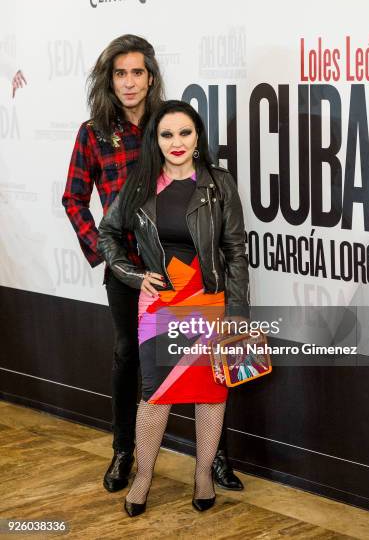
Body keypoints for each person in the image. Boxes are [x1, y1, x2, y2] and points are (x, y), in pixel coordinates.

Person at [62, 35, 243, 495]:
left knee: (209, 366)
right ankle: (126, 453)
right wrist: (111, 257)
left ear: (151, 77)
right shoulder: (93, 132)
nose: (129, 82)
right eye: (119, 73)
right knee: (130, 358)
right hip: (131, 273)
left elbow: (210, 208)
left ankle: (214, 459)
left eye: (137, 72)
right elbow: (74, 200)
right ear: (109, 80)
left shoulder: (168, 123)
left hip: (188, 272)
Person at [97, 100, 250, 516]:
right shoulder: (141, 182)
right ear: (156, 140)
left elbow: (235, 250)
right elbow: (107, 234)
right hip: (160, 304)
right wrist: (132, 273)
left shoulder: (219, 183)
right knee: (156, 394)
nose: (177, 142)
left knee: (210, 393)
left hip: (210, 301)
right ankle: (143, 477)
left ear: (198, 136)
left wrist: (237, 312)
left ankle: (203, 475)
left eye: (185, 132)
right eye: (167, 134)